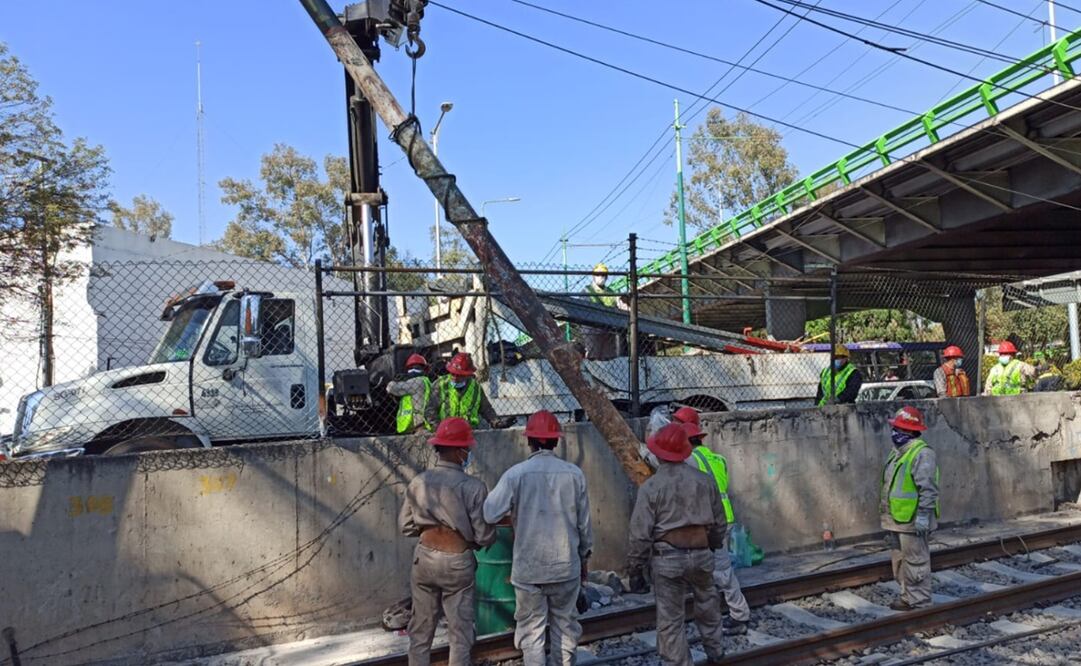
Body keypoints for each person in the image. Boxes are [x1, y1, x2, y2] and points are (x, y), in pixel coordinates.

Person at [483, 410, 593, 666]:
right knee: (565, 628)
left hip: (529, 570)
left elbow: (489, 513)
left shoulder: (516, 475)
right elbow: (584, 525)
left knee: (531, 633)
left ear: (529, 440)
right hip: (566, 567)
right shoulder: (574, 474)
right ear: (556, 440)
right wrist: (584, 557)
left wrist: (516, 512)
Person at [626, 423, 727, 665]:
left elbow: (640, 534)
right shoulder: (704, 481)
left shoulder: (651, 487)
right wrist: (711, 545)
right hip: (702, 553)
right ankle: (716, 651)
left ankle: (678, 662)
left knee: (671, 619)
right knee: (708, 605)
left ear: (658, 454)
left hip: (668, 558)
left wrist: (635, 568)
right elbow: (719, 522)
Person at [398, 417, 496, 665]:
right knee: (460, 632)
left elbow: (405, 526)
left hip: (424, 558)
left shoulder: (418, 481)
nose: (469, 452)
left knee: (420, 629)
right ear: (459, 451)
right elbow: (484, 535)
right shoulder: (473, 487)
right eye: (467, 448)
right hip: (457, 562)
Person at [671, 406, 750, 636]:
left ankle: (740, 615)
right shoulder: (717, 458)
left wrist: (646, 451)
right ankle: (713, 614)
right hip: (722, 519)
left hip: (711, 523)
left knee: (722, 572)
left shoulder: (689, 460)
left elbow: (665, 465)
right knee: (708, 570)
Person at [880, 406, 939, 611]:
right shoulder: (897, 453)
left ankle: (920, 603)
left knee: (916, 563)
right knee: (899, 563)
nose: (894, 432)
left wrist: (923, 516)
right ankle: (907, 597)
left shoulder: (922, 454)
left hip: (913, 520)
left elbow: (928, 489)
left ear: (909, 431)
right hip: (897, 519)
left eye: (898, 428)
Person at [426, 352, 506, 429]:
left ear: (468, 374)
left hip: (469, 432)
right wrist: (440, 429)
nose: (455, 378)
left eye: (459, 375)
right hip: (446, 433)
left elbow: (486, 409)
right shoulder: (441, 385)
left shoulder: (475, 388)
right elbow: (430, 411)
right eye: (453, 374)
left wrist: (497, 422)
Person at [388, 353, 433, 434]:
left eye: (416, 368)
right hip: (427, 425)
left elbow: (391, 388)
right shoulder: (426, 381)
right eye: (412, 368)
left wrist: (394, 381)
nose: (413, 370)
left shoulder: (416, 382)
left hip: (420, 428)